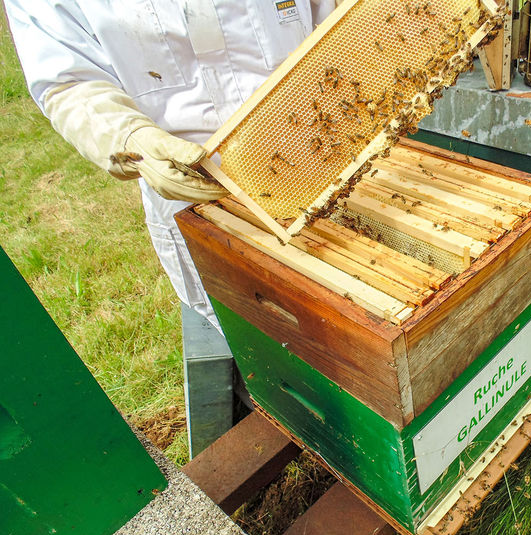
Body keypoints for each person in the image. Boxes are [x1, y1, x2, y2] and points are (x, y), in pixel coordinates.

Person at [5, 0, 336, 329]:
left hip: (333, 158)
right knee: (270, 333)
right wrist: (129, 138)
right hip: (198, 192)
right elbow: (68, 80)